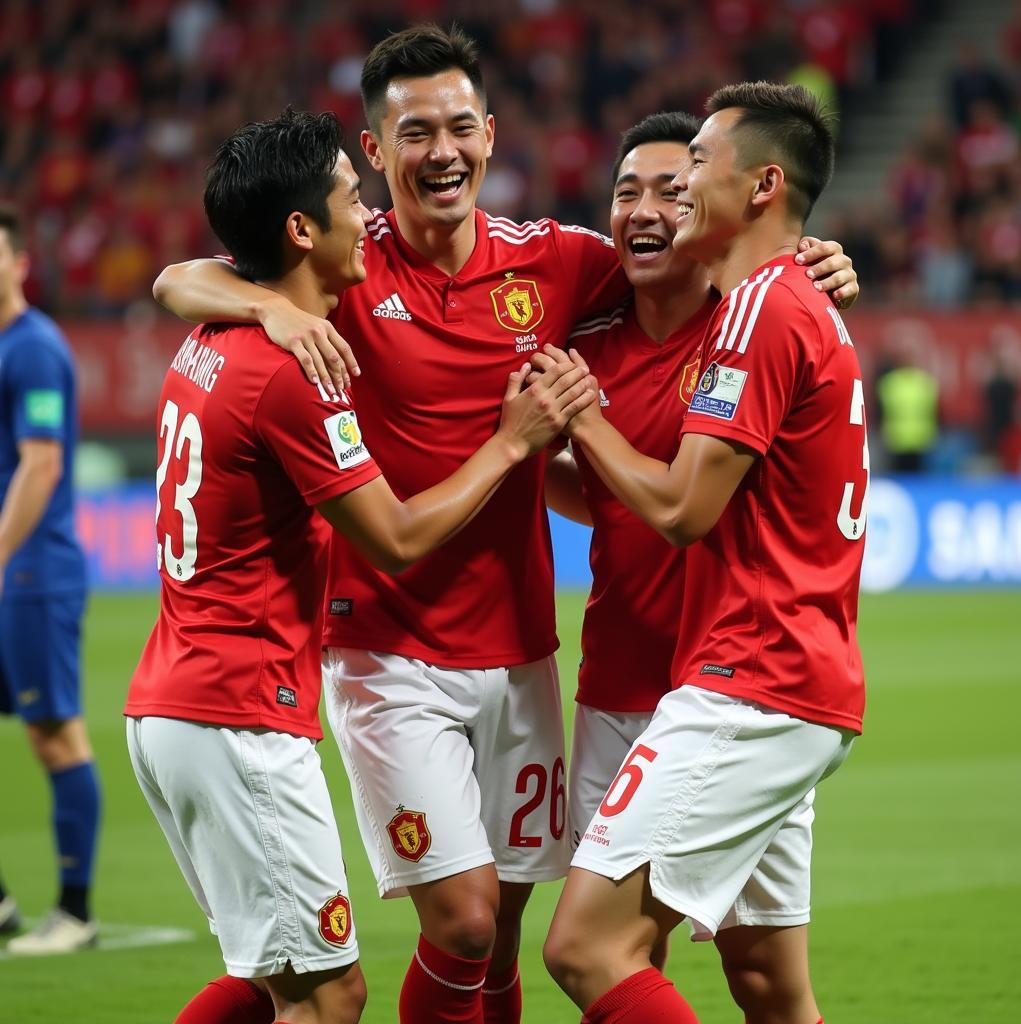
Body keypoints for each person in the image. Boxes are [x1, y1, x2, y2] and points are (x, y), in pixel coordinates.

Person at [152, 26, 858, 1023]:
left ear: (489, 132)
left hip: (521, 650)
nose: (440, 151)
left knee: (501, 936)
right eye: (413, 133)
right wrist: (268, 310)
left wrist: (810, 256)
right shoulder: (346, 273)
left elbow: (696, 264)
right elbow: (177, 281)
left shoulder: (559, 265)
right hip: (387, 646)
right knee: (464, 922)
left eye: (458, 127)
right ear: (373, 148)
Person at [126, 107, 594, 1024]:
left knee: (273, 981)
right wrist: (513, 445)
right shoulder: (290, 369)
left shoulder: (214, 342)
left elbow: (180, 283)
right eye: (350, 198)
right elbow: (399, 536)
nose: (366, 220)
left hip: (180, 702)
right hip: (239, 713)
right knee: (329, 997)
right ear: (303, 228)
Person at [540, 82, 868, 1024]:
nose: (677, 193)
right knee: (769, 983)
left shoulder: (762, 311)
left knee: (587, 948)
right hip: (789, 677)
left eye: (695, 170)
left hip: (749, 675)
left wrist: (585, 422)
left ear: (762, 185)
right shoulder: (791, 298)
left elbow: (683, 509)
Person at [0, 202, 101, 955]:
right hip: (12, 569)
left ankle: (74, 911)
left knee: (54, 735)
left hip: (32, 572)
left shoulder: (32, 350)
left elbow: (42, 464)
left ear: (19, 261)